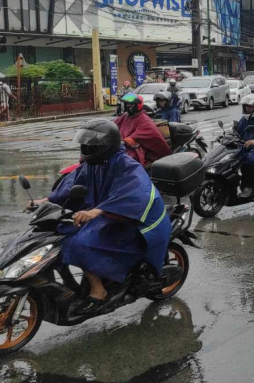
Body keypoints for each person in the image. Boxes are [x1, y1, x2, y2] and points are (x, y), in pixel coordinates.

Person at [44, 119, 171, 315]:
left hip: (134, 219)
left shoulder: (126, 165)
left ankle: (99, 290)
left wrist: (96, 211)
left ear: (106, 145)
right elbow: (72, 184)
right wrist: (46, 200)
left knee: (81, 242)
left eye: (91, 144)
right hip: (109, 213)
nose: (86, 147)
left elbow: (134, 193)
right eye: (85, 144)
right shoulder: (93, 164)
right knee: (62, 232)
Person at [114, 93, 171, 168]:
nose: (128, 106)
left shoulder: (144, 119)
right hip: (120, 146)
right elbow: (113, 125)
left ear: (138, 105)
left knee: (126, 162)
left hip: (136, 149)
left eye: (131, 104)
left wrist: (129, 139)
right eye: (127, 104)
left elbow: (146, 132)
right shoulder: (125, 116)